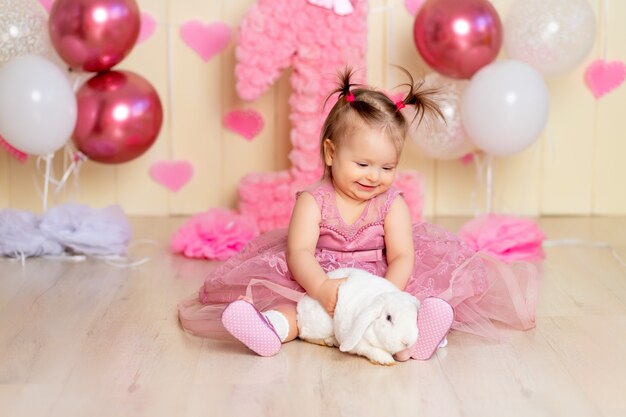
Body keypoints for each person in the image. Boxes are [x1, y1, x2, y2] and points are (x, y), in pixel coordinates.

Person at [178, 68, 539, 359]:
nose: (374, 176)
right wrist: (319, 286)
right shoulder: (313, 200)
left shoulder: (391, 204)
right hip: (320, 279)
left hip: (379, 279)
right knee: (299, 310)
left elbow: (401, 255)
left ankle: (418, 341)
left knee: (400, 314)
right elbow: (299, 252)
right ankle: (269, 331)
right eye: (363, 163)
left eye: (386, 167)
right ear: (331, 152)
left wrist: (387, 294)